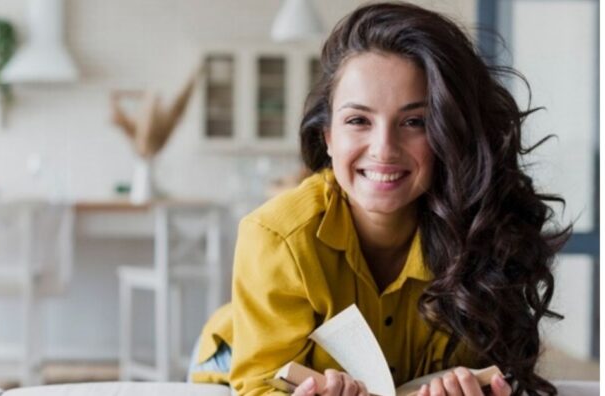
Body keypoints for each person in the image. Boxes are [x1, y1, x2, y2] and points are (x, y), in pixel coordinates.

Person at [189, 3, 570, 396]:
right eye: (358, 121)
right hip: (231, 363)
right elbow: (257, 384)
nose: (384, 149)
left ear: (449, 134)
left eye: (414, 122)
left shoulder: (481, 234)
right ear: (328, 137)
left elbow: (488, 372)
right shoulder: (277, 236)